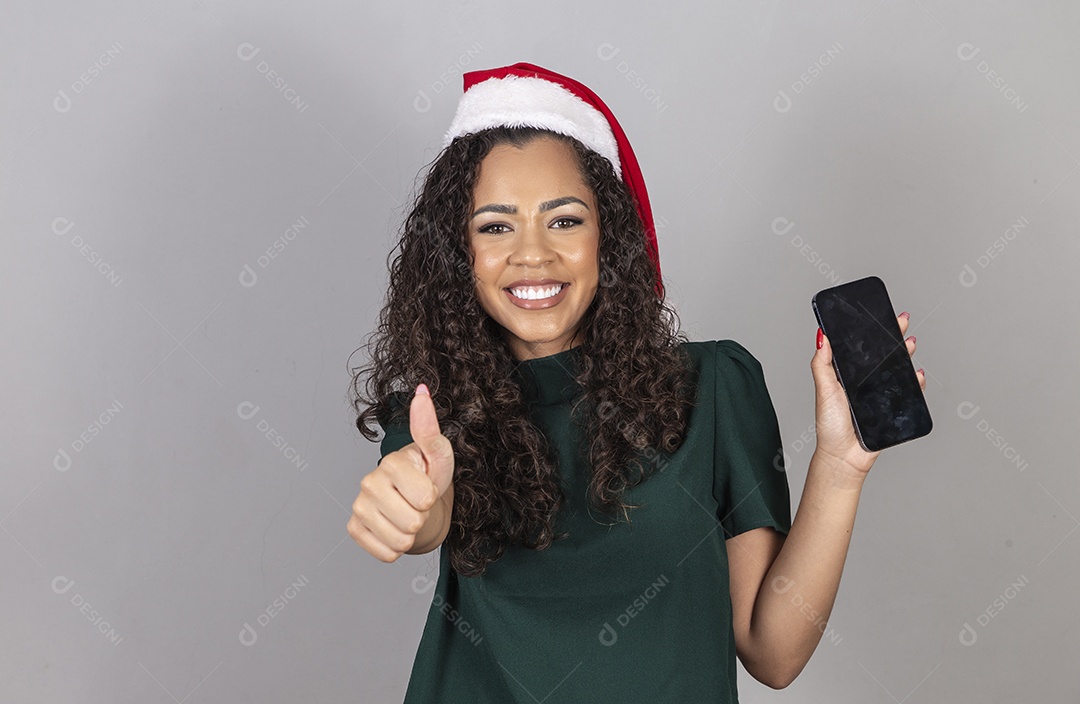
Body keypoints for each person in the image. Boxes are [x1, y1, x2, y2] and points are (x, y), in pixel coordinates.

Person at [347, 62, 926, 702]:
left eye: (564, 219)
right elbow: (424, 509)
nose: (533, 253)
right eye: (495, 226)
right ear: (459, 253)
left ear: (610, 236)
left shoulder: (713, 387)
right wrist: (410, 507)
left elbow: (774, 651)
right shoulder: (432, 413)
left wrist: (841, 465)